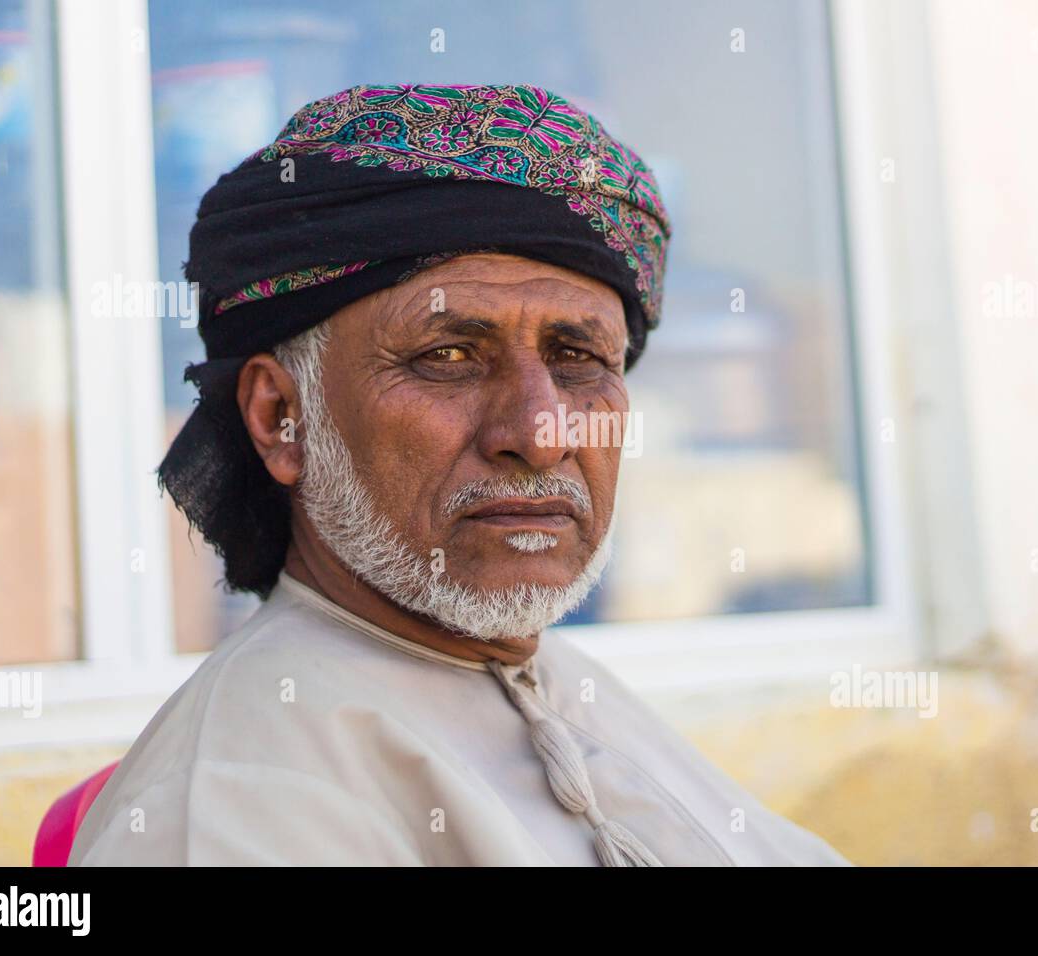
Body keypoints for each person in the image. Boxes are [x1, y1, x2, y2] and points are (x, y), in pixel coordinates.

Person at [68, 83, 851, 866]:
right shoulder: (232, 805)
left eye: (578, 359)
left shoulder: (555, 684)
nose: (540, 436)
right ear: (282, 416)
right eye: (447, 357)